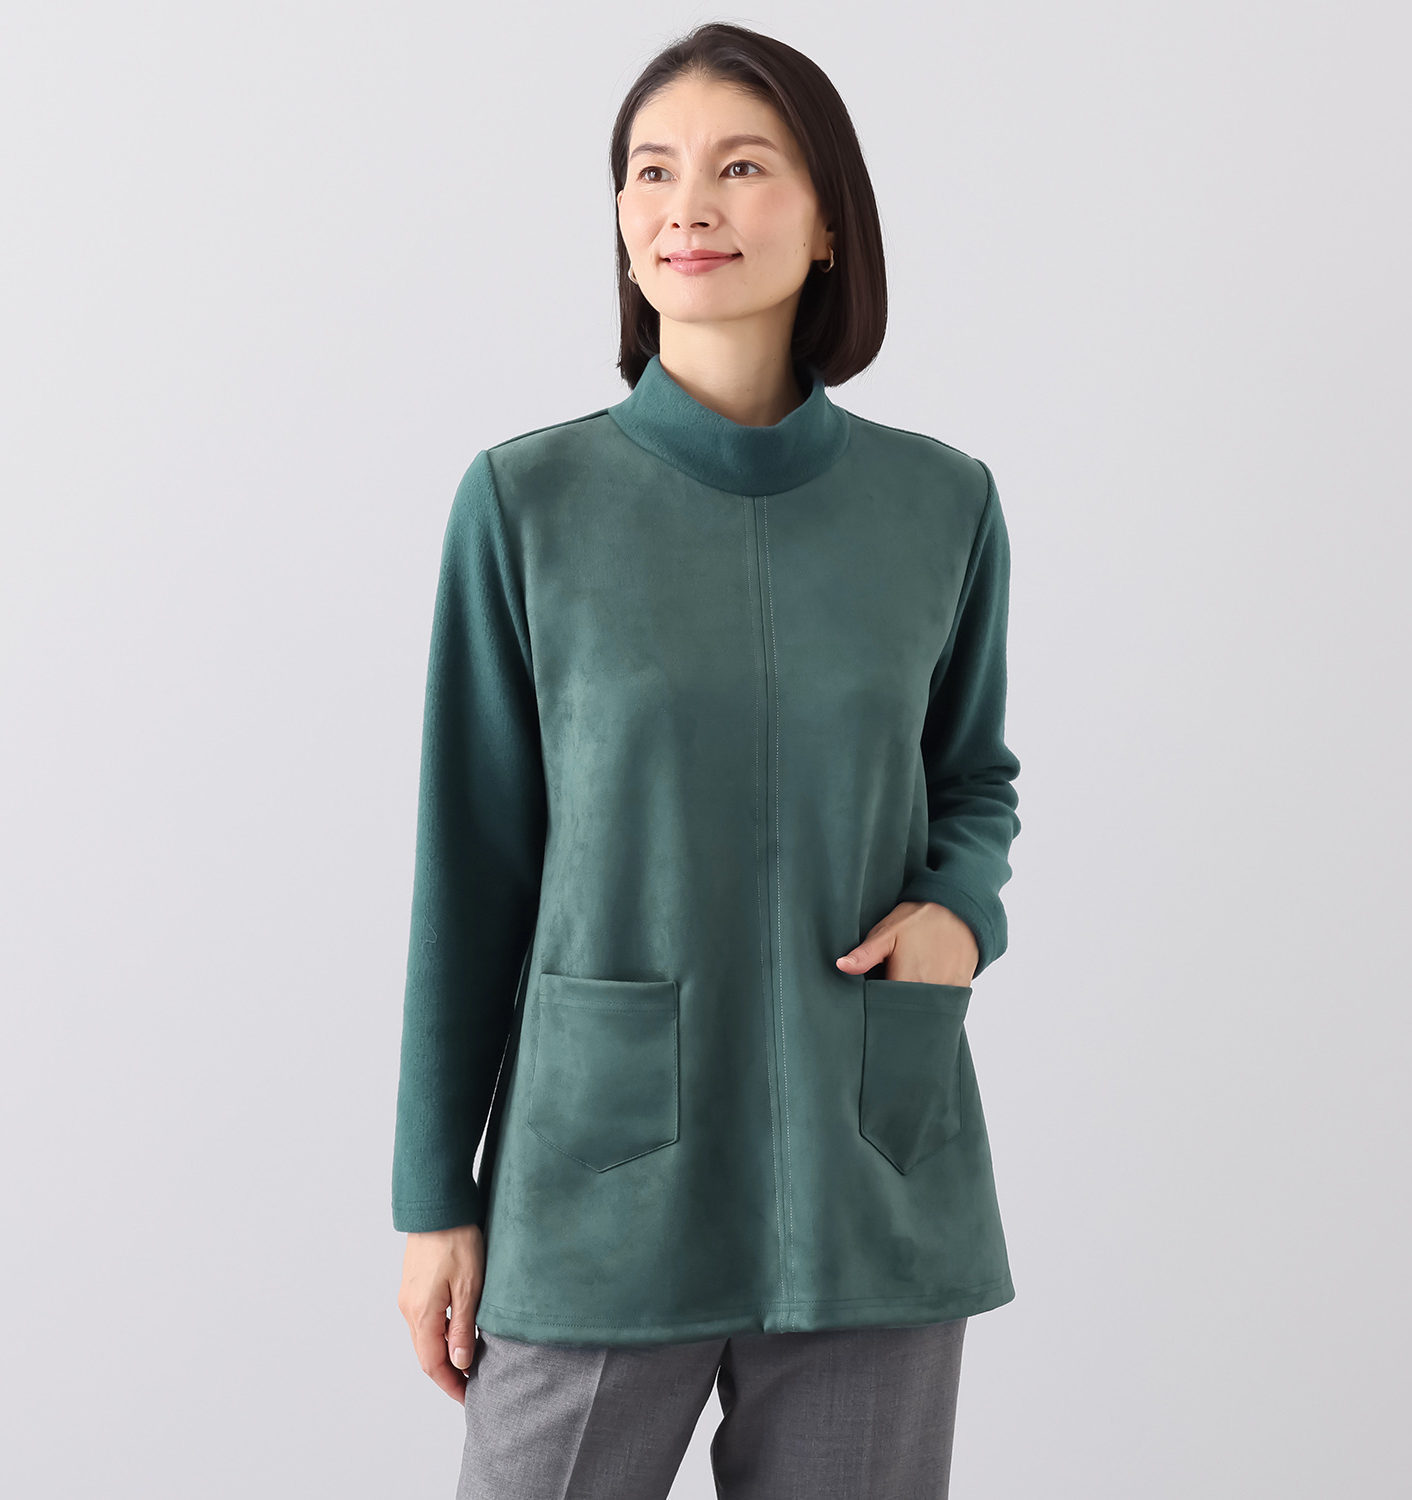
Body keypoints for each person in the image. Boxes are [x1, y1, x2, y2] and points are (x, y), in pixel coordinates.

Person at [393, 22, 1022, 1499]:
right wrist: (434, 1194)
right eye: (650, 171)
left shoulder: (942, 506)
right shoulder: (527, 505)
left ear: (827, 220)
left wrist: (959, 912)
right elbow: (469, 867)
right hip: (602, 1178)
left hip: (872, 1168)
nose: (687, 205)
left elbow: (972, 776)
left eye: (741, 168)